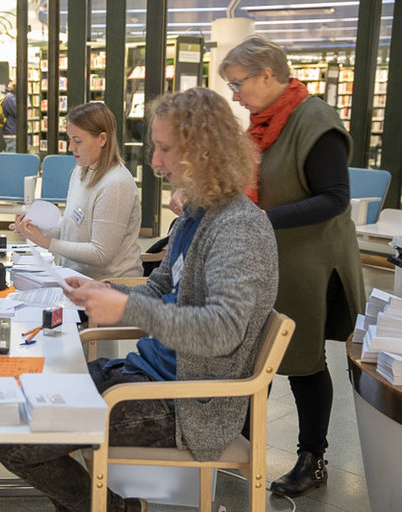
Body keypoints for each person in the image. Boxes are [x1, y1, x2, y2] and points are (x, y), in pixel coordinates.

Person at [0, 87, 279, 512]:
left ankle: (115, 509)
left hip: (186, 407)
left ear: (202, 153)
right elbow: (160, 287)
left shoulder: (239, 229)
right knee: (24, 409)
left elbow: (223, 331)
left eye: (164, 149)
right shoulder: (198, 216)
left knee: (17, 442)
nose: (155, 161)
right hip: (146, 377)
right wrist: (103, 292)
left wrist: (126, 307)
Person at [220, 35, 364, 498]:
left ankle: (312, 458)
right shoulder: (263, 123)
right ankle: (238, 442)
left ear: (267, 75)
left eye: (237, 84)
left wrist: (262, 219)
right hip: (269, 258)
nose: (235, 96)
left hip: (308, 263)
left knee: (302, 361)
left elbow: (334, 198)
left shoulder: (314, 121)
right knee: (253, 355)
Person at [11, 102, 142, 280]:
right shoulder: (81, 171)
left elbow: (101, 253)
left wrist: (46, 242)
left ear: (102, 139)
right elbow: (71, 227)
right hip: (77, 279)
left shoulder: (116, 184)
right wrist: (35, 229)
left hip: (109, 286)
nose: (71, 147)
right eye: (70, 139)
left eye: (78, 141)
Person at [1, 82, 17, 152]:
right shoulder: (10, 97)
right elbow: (17, 112)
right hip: (11, 131)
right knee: (12, 155)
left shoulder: (9, 96)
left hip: (11, 130)